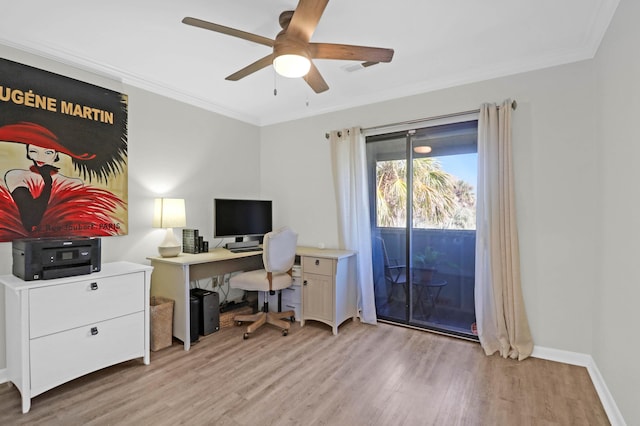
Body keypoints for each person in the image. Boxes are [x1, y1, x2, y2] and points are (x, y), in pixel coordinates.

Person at [0, 122, 124, 239]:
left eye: (48, 152)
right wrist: (47, 182)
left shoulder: (73, 183)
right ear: (28, 153)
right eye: (33, 151)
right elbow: (31, 220)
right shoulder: (15, 175)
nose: (40, 157)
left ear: (56, 154)